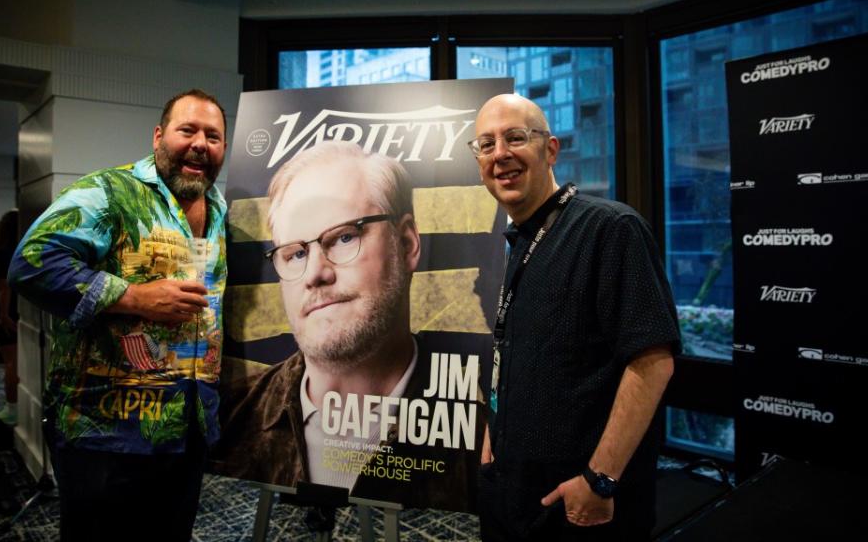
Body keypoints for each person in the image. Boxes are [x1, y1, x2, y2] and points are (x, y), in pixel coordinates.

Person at [213, 141, 482, 513]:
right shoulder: (227, 423)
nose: (316, 274)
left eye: (343, 237)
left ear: (406, 244)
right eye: (295, 254)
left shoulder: (481, 441)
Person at [9, 89, 229, 542]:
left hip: (187, 428)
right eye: (187, 130)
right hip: (105, 435)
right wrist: (133, 297)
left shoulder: (223, 209)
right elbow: (31, 262)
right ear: (158, 136)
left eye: (213, 136)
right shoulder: (109, 191)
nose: (200, 144)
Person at [471, 94, 679, 541]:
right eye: (486, 145)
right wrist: (496, 432)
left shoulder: (610, 230)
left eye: (515, 138)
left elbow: (652, 362)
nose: (500, 154)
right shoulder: (522, 242)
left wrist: (600, 478)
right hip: (513, 495)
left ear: (550, 150)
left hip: (579, 506)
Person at [0, 209, 21, 425]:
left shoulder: (1, 253)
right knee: (19, 362)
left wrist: (4, 315)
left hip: (7, 312)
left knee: (11, 363)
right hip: (22, 309)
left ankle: (12, 409)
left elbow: (2, 287)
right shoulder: (24, 249)